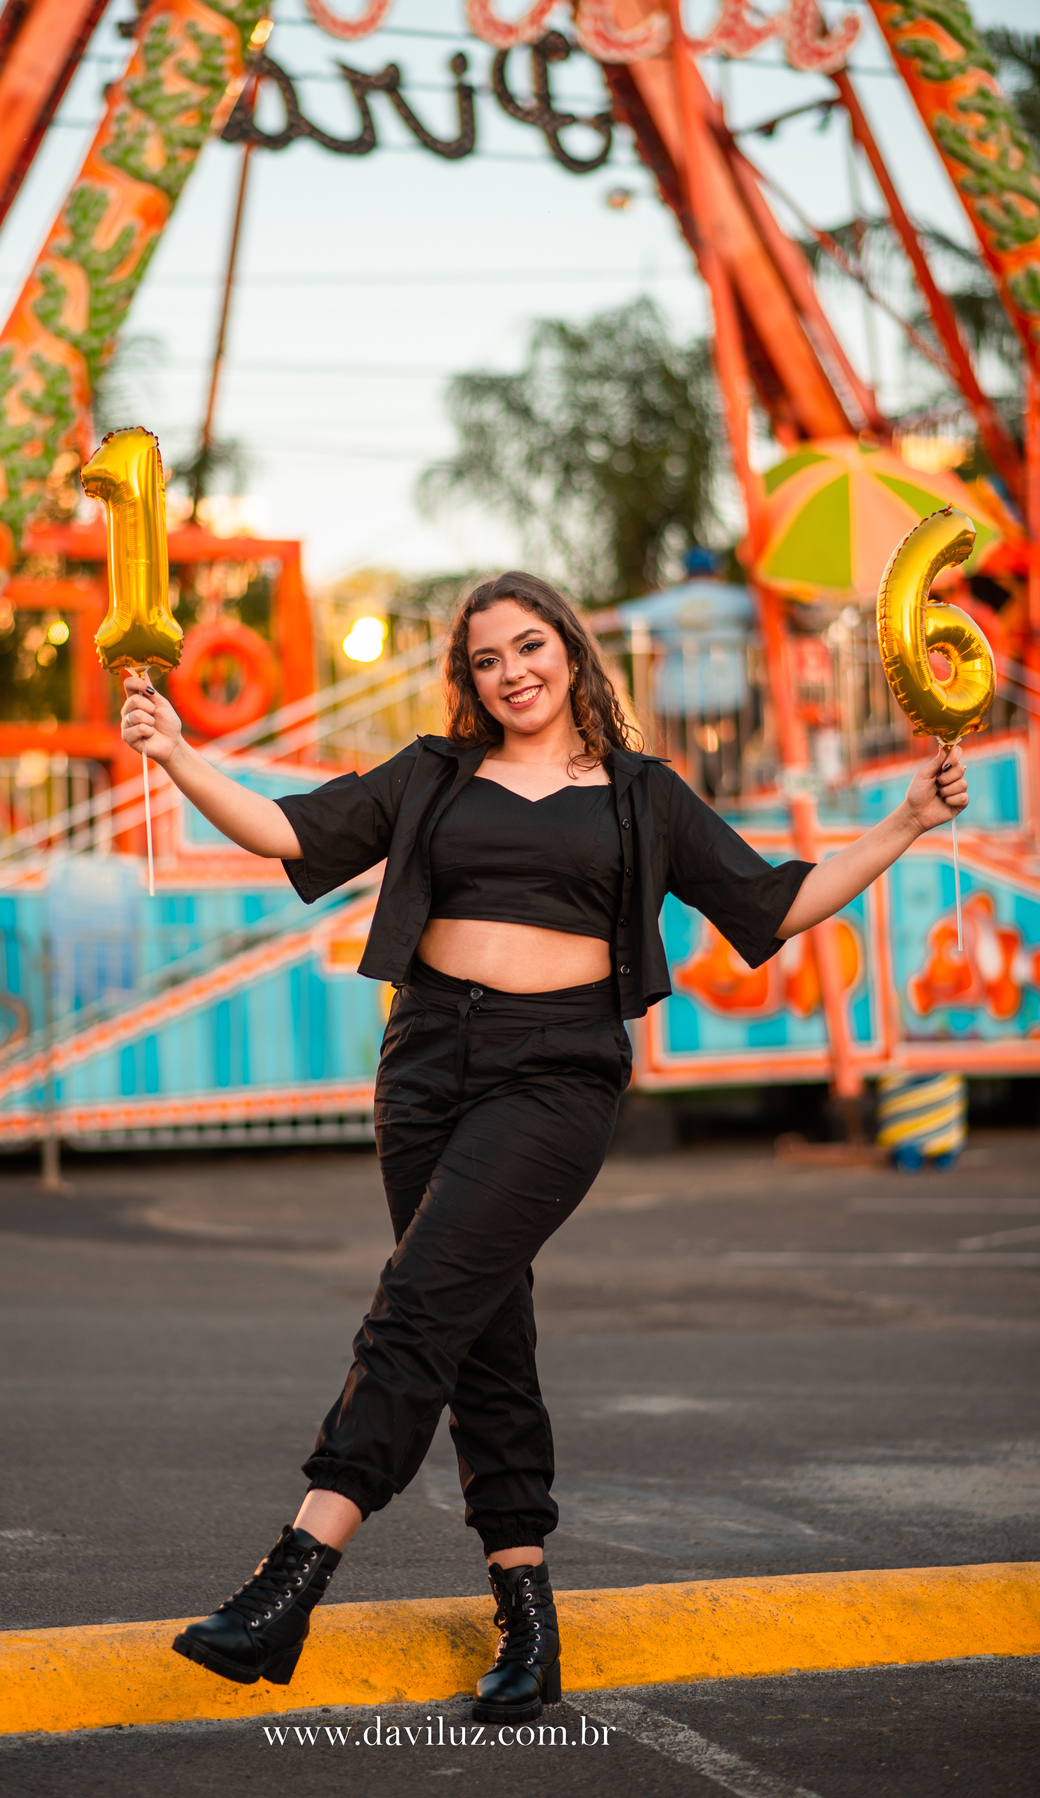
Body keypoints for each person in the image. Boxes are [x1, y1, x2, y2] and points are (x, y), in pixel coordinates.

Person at [119, 570, 966, 1722]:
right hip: (425, 1064)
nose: (511, 671)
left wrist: (907, 821)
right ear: (468, 679)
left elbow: (775, 905)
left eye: (529, 646)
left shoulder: (640, 793)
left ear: (570, 650)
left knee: (418, 1302)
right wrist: (176, 753)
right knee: (481, 1333)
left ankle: (292, 1577)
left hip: (557, 1072)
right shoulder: (434, 773)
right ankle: (527, 1617)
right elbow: (287, 830)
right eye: (486, 659)